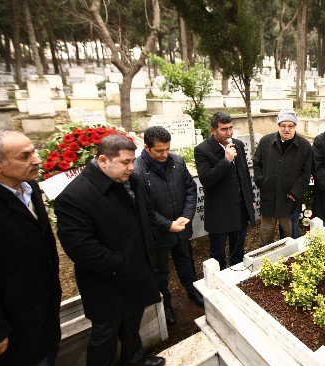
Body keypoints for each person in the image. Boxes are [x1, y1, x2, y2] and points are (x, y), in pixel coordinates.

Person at [0, 130, 82, 366]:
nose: (36, 159)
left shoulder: (27, 189)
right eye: (25, 155)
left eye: (34, 151)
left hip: (41, 307)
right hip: (13, 318)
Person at [55, 134, 165, 366]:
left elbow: (145, 218)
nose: (132, 167)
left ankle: (133, 357)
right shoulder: (74, 196)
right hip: (107, 280)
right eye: (125, 162)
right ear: (103, 160)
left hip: (136, 271)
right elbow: (80, 247)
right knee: (104, 334)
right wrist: (119, 265)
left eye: (133, 161)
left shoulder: (131, 181)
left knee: (132, 319)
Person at [134, 126, 202, 328]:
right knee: (160, 272)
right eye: (159, 151)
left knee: (186, 262)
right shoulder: (137, 171)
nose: (165, 154)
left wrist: (186, 216)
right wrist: (167, 224)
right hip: (158, 233)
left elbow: (190, 188)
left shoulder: (178, 162)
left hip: (181, 227)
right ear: (147, 148)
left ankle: (192, 289)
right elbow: (143, 207)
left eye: (167, 149)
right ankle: (166, 304)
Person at [195, 112, 255, 269]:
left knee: (237, 250)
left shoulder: (238, 145)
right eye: (224, 129)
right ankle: (218, 282)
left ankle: (236, 276)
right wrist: (226, 160)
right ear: (213, 130)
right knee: (218, 254)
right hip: (219, 212)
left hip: (239, 209)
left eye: (231, 128)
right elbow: (206, 179)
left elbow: (245, 175)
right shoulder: (202, 150)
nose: (229, 133)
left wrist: (250, 200)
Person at [254, 108, 312, 246]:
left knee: (289, 238)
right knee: (265, 236)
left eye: (290, 126)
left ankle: (289, 261)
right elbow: (257, 164)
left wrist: (294, 193)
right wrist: (262, 181)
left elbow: (306, 173)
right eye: (283, 125)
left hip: (289, 200)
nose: (287, 129)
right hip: (269, 198)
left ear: (295, 126)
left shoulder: (304, 146)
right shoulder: (265, 142)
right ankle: (264, 260)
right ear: (278, 126)